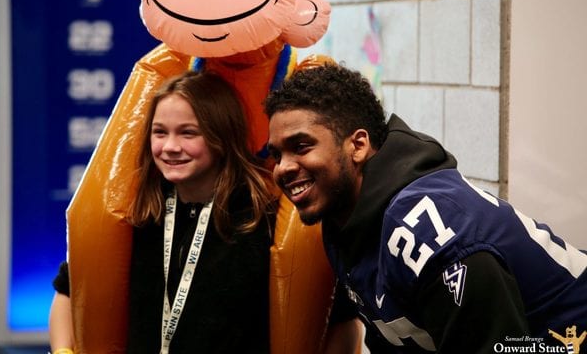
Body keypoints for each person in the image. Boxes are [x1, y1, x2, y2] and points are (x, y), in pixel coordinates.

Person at [264, 63, 587, 353]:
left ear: (358, 146)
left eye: (301, 146)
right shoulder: (343, 220)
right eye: (277, 155)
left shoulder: (431, 234)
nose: (282, 168)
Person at [50, 70, 276, 353]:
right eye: (160, 132)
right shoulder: (135, 213)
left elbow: (320, 316)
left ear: (222, 135)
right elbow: (69, 290)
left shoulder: (260, 219)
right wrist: (63, 350)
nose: (170, 147)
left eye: (188, 133)